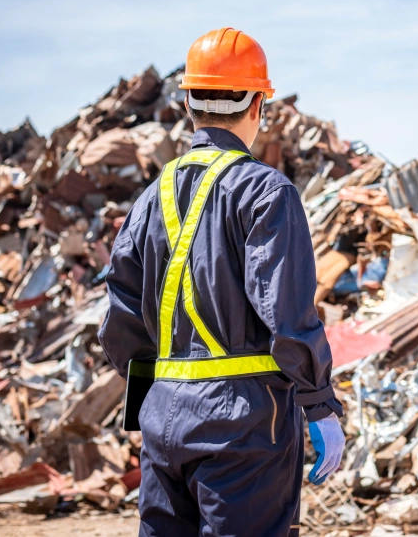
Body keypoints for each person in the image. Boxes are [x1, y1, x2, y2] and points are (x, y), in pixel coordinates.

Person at [98, 27, 345, 536]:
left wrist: (162, 401)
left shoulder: (150, 198)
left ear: (188, 102)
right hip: (243, 426)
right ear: (259, 103)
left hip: (162, 424)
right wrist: (319, 405)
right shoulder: (265, 192)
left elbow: (119, 323)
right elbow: (288, 317)